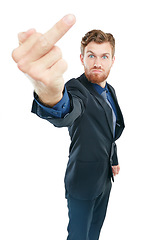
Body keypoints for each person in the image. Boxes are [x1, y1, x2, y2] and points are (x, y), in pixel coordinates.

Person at [12, 14, 125, 240]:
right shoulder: (75, 88)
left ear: (113, 60)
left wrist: (113, 159)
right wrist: (50, 95)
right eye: (91, 55)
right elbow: (67, 109)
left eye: (104, 56)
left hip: (104, 179)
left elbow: (108, 131)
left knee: (94, 233)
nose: (97, 62)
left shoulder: (109, 90)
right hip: (83, 181)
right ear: (81, 58)